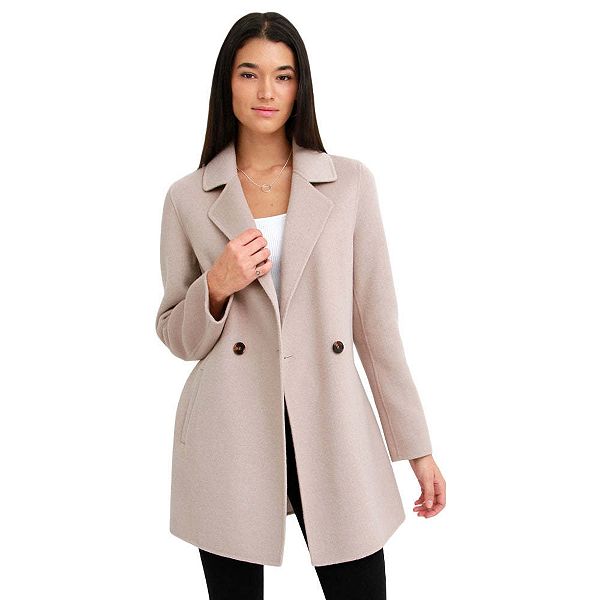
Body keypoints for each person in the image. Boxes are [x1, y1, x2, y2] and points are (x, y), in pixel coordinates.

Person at [156, 11, 446, 600]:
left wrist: (416, 448)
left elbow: (375, 325)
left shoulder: (349, 183)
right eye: (249, 73)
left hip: (331, 419)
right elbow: (177, 337)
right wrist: (217, 283)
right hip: (229, 429)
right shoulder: (188, 197)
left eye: (282, 76)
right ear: (226, 82)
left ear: (300, 86)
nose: (266, 91)